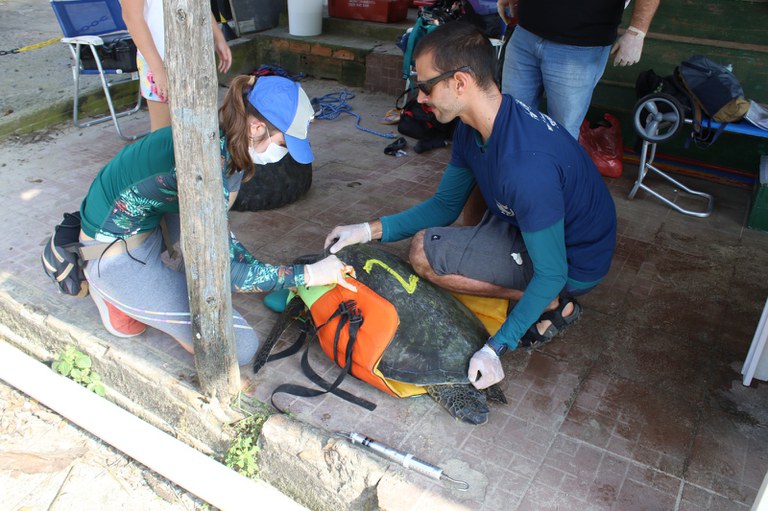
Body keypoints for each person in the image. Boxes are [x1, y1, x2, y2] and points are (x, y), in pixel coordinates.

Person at [323, 22, 617, 390]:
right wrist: (367, 230)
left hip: (575, 263)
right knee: (456, 219)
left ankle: (553, 305)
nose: (419, 99)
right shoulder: (474, 123)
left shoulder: (525, 167)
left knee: (424, 254)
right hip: (533, 222)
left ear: (459, 82)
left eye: (426, 86)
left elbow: (553, 270)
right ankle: (496, 264)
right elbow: (446, 205)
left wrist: (496, 348)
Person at [79, 75, 356, 367]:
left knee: (211, 252)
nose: (284, 153)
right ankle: (107, 289)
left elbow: (224, 244)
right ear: (257, 127)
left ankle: (159, 284)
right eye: (284, 144)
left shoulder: (227, 137)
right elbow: (224, 273)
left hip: (149, 219)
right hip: (110, 253)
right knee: (237, 349)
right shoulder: (206, 168)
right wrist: (308, 275)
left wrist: (284, 277)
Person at [497, 0, 660, 139]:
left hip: (580, 45)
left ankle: (557, 177)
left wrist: (637, 32)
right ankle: (514, 175)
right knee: (511, 120)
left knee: (562, 133)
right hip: (525, 32)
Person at [122, 0, 233, 131]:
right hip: (159, 60)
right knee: (163, 133)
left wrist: (218, 36)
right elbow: (132, 18)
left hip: (196, 56)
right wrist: (157, 69)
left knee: (202, 126)